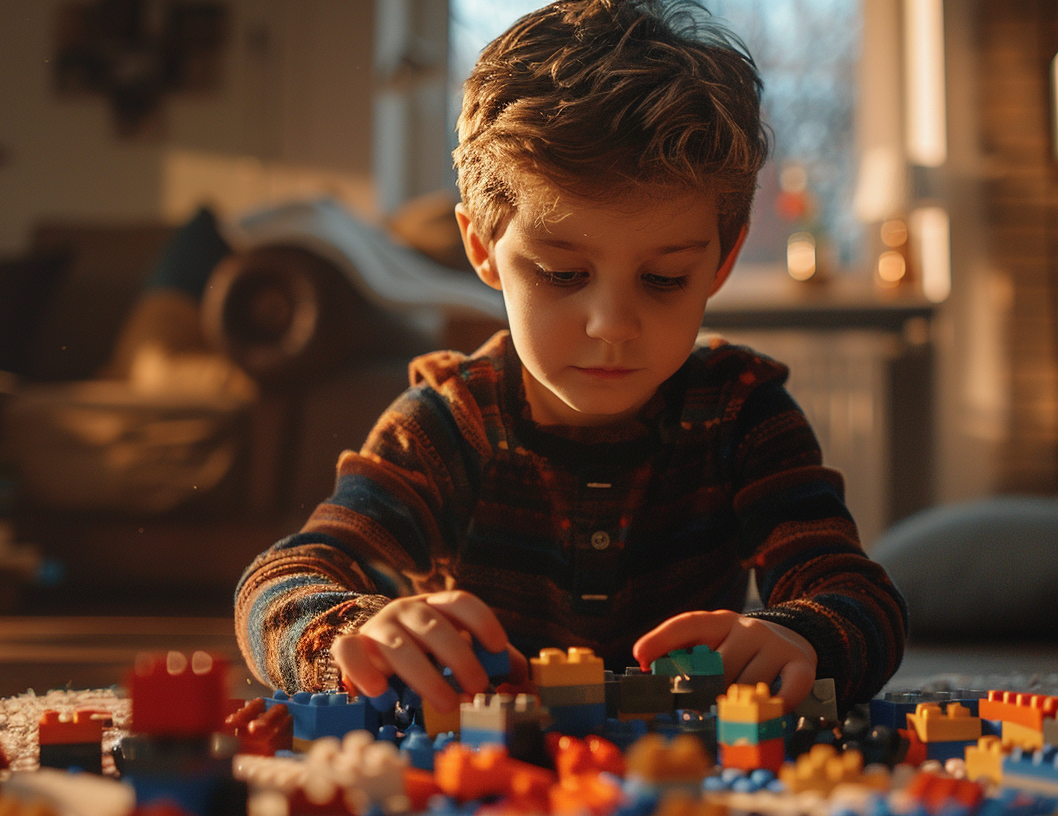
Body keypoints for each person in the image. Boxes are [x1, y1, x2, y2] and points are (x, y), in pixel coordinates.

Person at [235, 0, 907, 718]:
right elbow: (279, 583)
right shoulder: (448, 420)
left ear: (723, 259)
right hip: (482, 775)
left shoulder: (744, 412)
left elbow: (857, 595)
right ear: (484, 247)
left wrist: (800, 637)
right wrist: (354, 630)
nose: (612, 325)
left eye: (663, 279)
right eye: (561, 274)